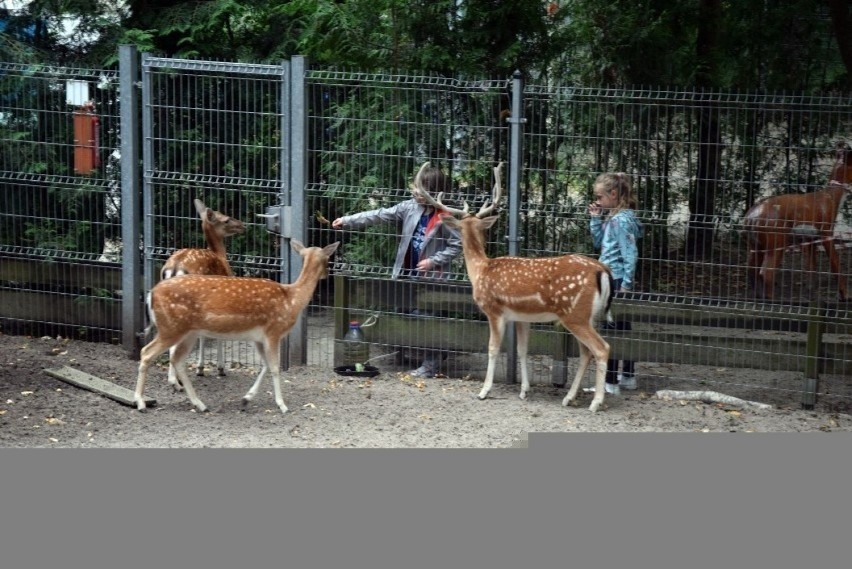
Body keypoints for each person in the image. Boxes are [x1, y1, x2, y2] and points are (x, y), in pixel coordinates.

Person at [332, 163, 462, 378]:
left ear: (435, 192)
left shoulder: (445, 216)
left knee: (425, 320)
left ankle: (431, 365)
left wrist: (433, 261)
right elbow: (379, 214)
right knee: (405, 315)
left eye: (421, 189)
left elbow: (458, 245)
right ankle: (428, 354)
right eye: (415, 187)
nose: (415, 192)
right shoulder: (409, 207)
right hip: (405, 276)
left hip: (431, 280)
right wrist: (347, 220)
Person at [588, 172, 644, 395]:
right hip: (614, 276)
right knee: (623, 327)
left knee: (610, 329)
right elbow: (599, 243)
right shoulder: (617, 217)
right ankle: (628, 377)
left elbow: (630, 253)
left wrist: (626, 285)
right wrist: (595, 218)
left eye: (600, 197)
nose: (598, 201)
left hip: (616, 279)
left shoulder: (621, 221)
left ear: (613, 194)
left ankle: (610, 382)